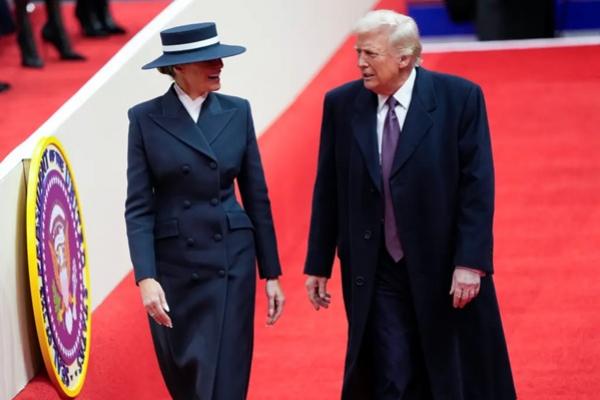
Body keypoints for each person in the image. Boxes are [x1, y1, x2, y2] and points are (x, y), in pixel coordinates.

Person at [304, 10, 515, 400]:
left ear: (405, 57)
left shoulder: (459, 98)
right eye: (357, 52)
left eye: (370, 53)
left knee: (449, 372)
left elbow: (477, 187)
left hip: (444, 264)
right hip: (376, 265)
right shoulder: (341, 104)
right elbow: (328, 186)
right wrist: (318, 263)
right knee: (391, 372)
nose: (360, 63)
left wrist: (470, 262)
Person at [125, 22, 285, 400]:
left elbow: (256, 195)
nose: (219, 66)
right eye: (207, 60)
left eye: (219, 58)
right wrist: (146, 277)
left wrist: (272, 272)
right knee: (190, 377)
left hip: (231, 259)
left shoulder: (237, 111)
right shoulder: (144, 118)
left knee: (227, 376)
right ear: (178, 68)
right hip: (175, 266)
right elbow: (138, 206)